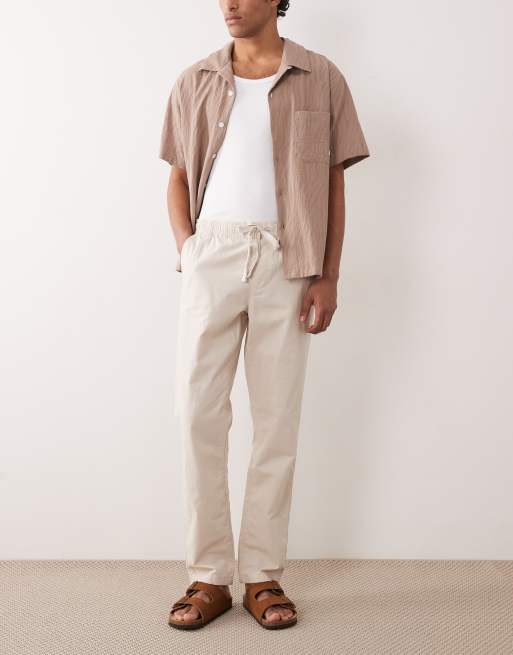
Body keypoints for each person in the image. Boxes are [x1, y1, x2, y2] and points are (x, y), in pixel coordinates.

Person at [160, 0, 369, 631]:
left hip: (289, 258)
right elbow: (177, 175)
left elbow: (333, 182)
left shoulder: (321, 76)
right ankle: (208, 575)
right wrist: (189, 249)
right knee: (197, 414)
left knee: (277, 420)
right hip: (213, 253)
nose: (229, 3)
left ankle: (262, 575)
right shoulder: (195, 79)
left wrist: (328, 273)